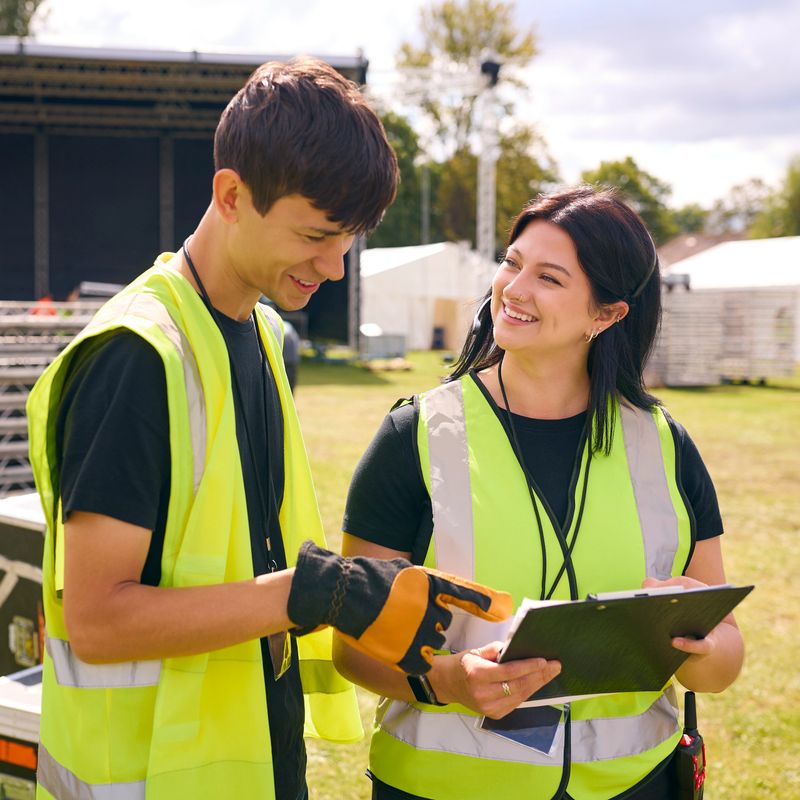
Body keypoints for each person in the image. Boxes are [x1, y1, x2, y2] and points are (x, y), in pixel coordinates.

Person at [26, 58, 512, 800]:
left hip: (246, 760)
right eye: (316, 234)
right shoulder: (137, 356)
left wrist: (352, 594)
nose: (335, 266)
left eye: (347, 239)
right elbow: (95, 621)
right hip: (139, 781)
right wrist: (312, 591)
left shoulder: (260, 334)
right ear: (231, 195)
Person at [335, 186, 745, 800]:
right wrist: (445, 681)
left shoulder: (665, 445)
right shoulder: (414, 436)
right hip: (449, 788)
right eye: (512, 262)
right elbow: (351, 644)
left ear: (605, 315)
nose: (514, 289)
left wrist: (703, 648)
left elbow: (724, 655)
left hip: (633, 785)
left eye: (549, 278)